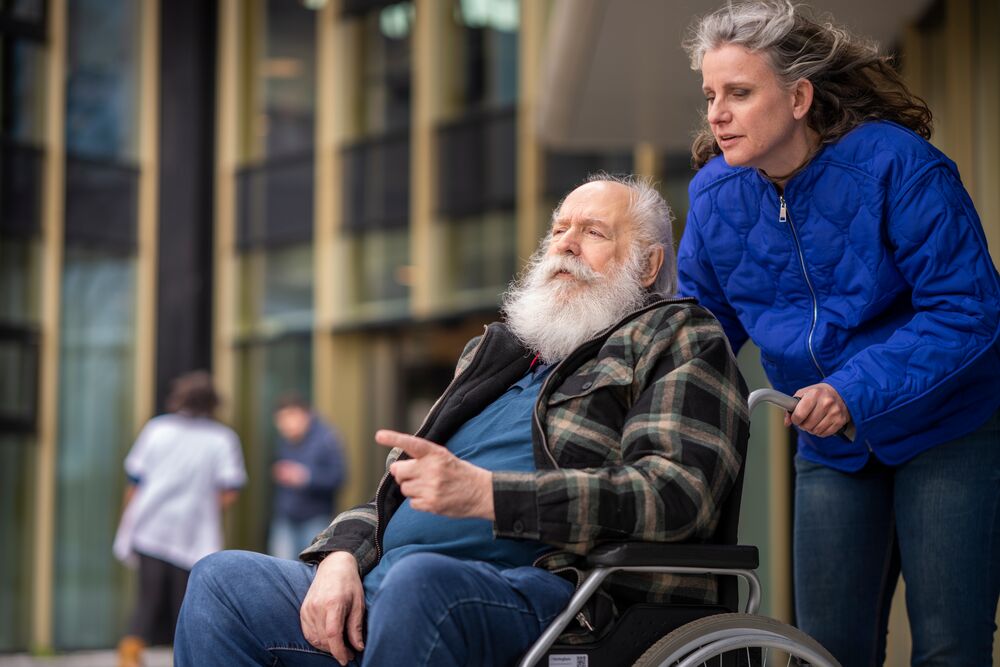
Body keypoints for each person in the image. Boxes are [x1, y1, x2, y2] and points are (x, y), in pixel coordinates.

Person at [173, 175, 750, 666]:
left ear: (649, 264)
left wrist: (490, 496)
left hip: (559, 594)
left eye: (593, 232)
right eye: (559, 230)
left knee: (421, 582)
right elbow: (393, 494)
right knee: (221, 581)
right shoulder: (496, 355)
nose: (566, 246)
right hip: (393, 581)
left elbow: (676, 494)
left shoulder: (677, 337)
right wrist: (340, 556)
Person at [677, 2, 1000, 665]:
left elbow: (967, 308)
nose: (717, 112)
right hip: (832, 448)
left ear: (798, 97)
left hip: (949, 427)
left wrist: (853, 387)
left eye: (739, 92)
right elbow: (699, 333)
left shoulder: (898, 166)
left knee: (949, 648)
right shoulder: (715, 197)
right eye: (711, 94)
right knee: (825, 651)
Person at [113, 371, 247, 667]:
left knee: (148, 596)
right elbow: (230, 491)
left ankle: (129, 658)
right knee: (187, 599)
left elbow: (135, 479)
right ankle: (188, 657)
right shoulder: (223, 439)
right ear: (214, 402)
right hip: (194, 530)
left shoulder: (157, 430)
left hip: (150, 524)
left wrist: (127, 519)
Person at [269, 393, 347, 560]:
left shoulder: (327, 438)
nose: (283, 426)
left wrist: (305, 477)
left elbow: (339, 477)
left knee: (311, 574)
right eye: (279, 420)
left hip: (315, 520)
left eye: (288, 418)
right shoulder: (285, 440)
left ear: (304, 415)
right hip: (285, 517)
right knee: (280, 570)